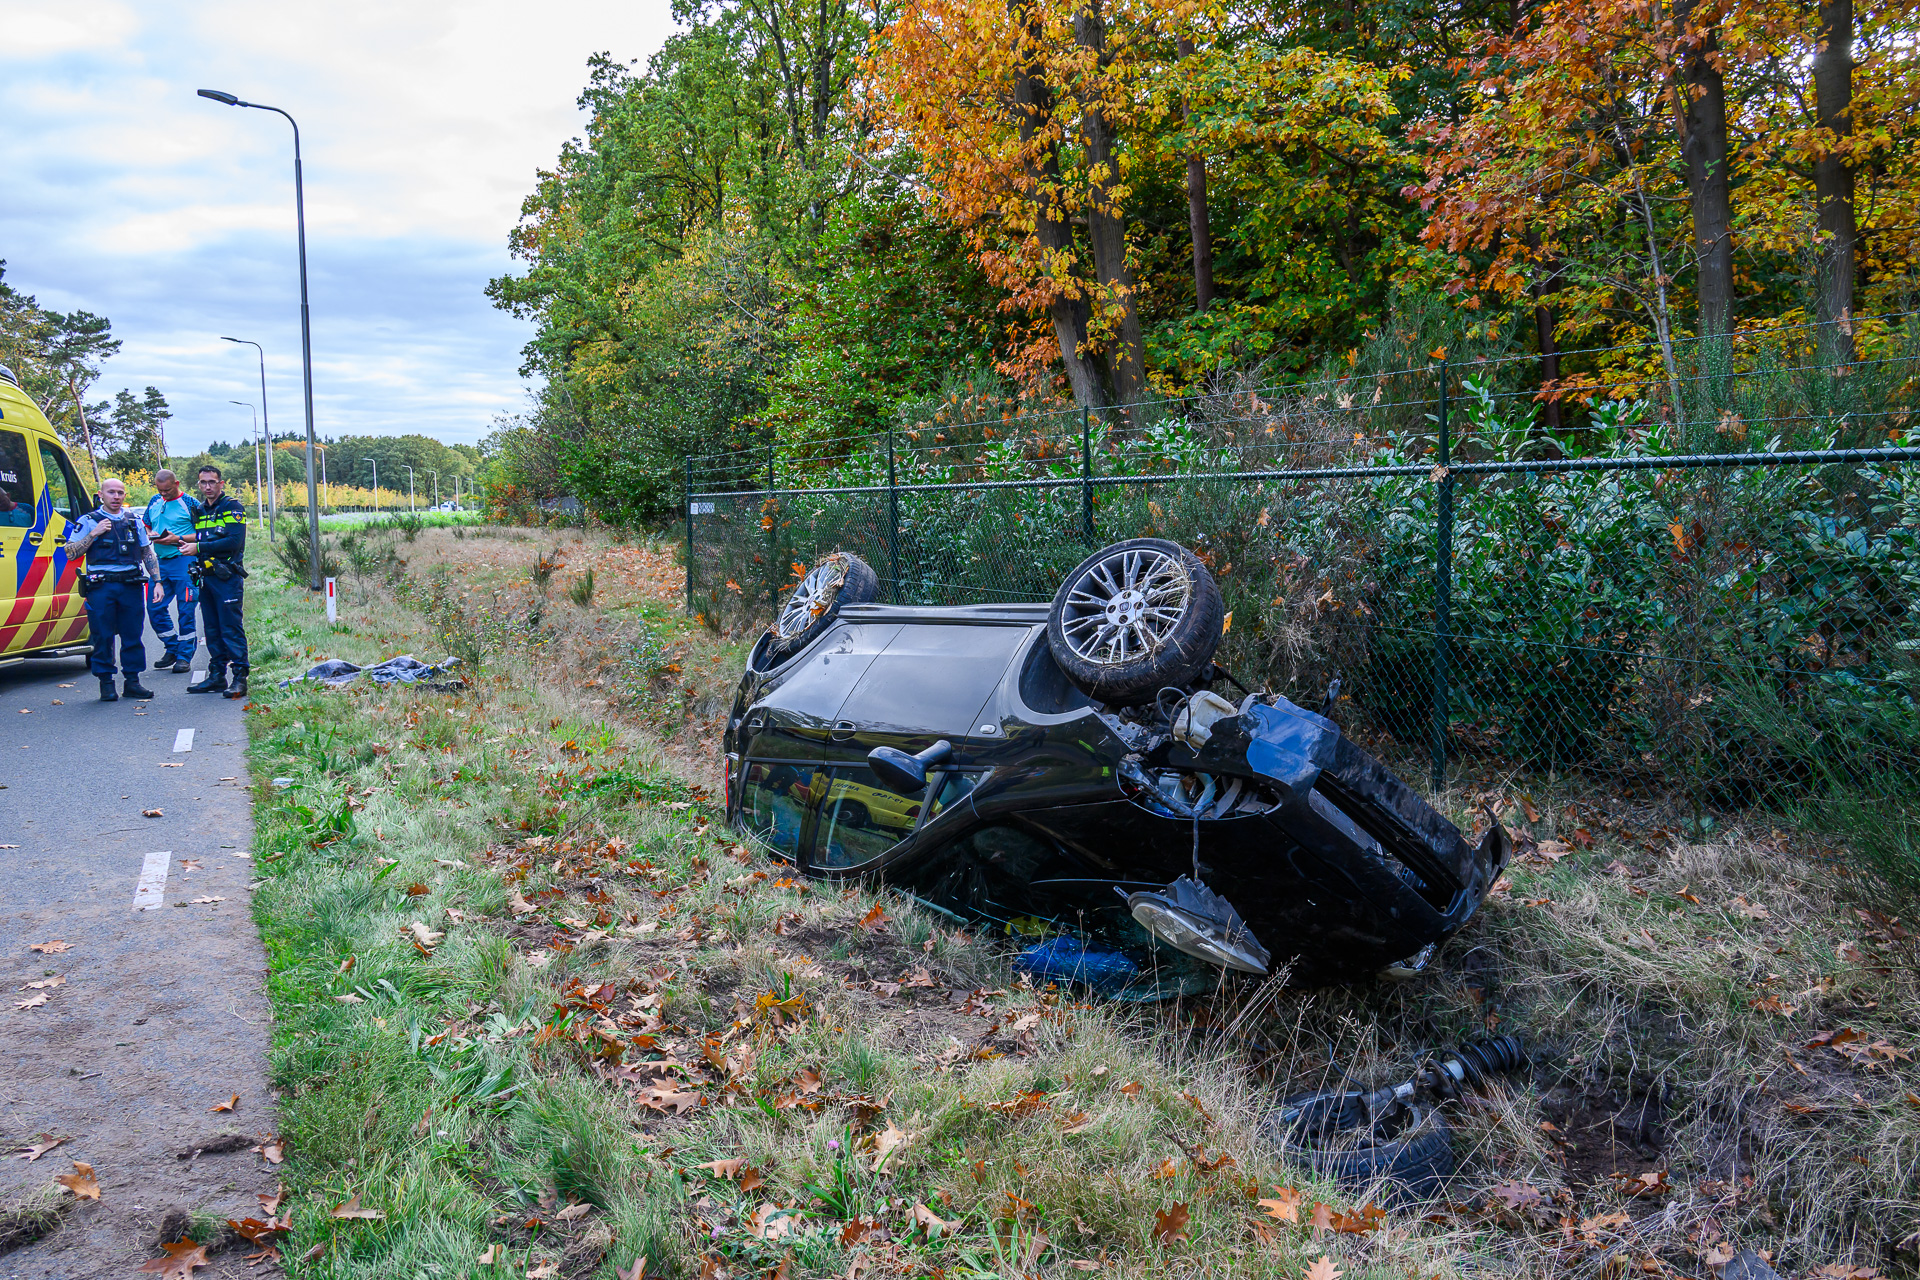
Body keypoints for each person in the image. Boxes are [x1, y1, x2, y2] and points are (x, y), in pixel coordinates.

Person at [64, 477, 162, 702]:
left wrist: (157, 581)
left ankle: (133, 682)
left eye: (120, 493)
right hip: (101, 586)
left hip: (130, 584)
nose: (116, 497)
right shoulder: (88, 521)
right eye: (111, 493)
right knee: (102, 635)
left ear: (125, 495)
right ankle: (106, 683)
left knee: (132, 635)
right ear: (101, 495)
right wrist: (94, 534)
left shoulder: (134, 521)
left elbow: (147, 552)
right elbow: (70, 553)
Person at [180, 465, 250, 700]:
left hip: (227, 577)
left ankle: (239, 678)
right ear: (198, 485)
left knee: (230, 628)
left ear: (221, 483)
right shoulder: (199, 510)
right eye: (203, 482)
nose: (207, 486)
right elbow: (202, 538)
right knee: (211, 629)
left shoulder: (232, 507)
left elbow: (234, 541)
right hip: (206, 577)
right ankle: (217, 675)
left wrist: (198, 547)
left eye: (212, 482)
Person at [141, 469, 200, 673]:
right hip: (160, 563)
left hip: (185, 560)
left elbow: (203, 532)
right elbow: (146, 524)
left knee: (185, 610)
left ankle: (184, 656)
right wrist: (151, 533)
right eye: (160, 490)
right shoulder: (155, 501)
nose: (163, 494)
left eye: (167, 490)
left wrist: (178, 539)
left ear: (176, 483)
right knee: (154, 608)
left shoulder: (191, 503)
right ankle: (172, 647)